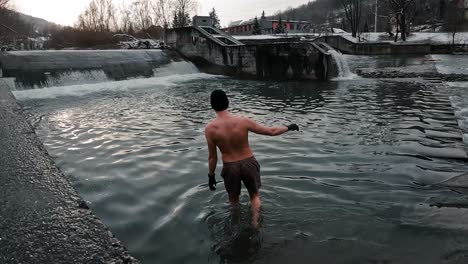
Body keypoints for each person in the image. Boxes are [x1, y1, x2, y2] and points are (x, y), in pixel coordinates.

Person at [205, 89, 299, 227]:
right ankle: (255, 224)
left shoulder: (210, 129)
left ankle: (236, 224)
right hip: (248, 162)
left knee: (233, 199)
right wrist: (288, 127)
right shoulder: (243, 121)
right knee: (254, 196)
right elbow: (270, 132)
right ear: (227, 102)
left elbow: (212, 157)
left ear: (212, 105)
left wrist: (211, 176)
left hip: (230, 167)